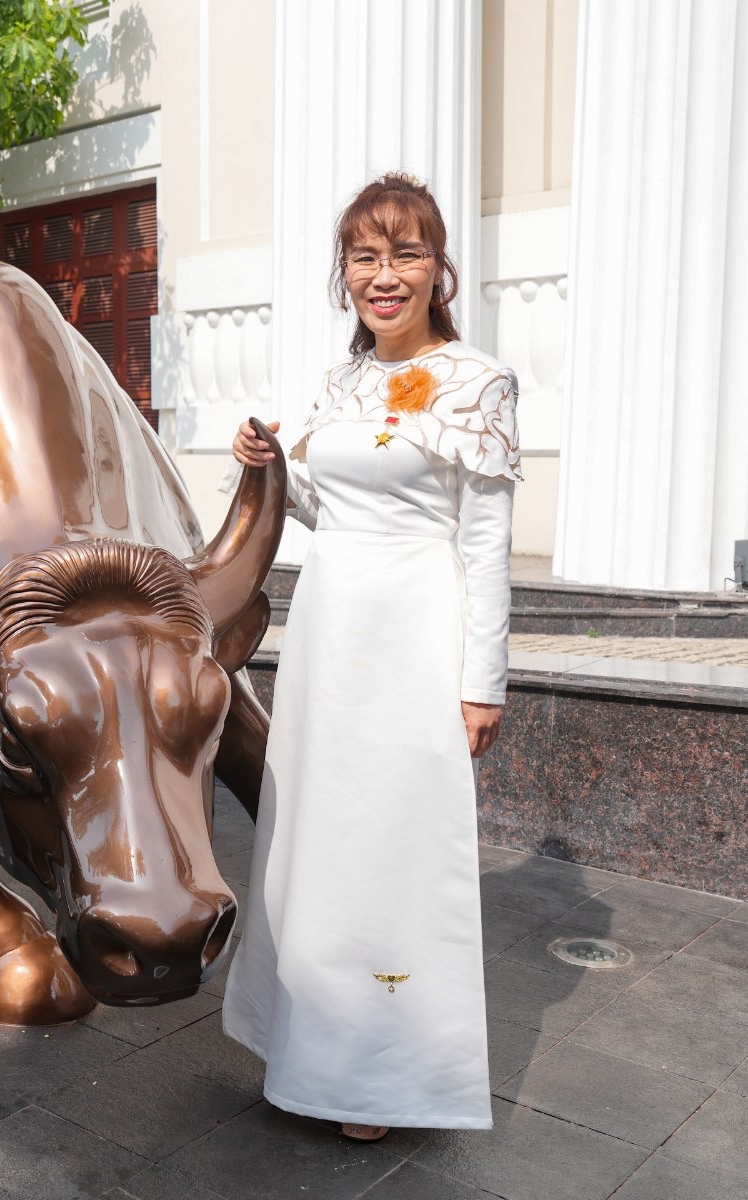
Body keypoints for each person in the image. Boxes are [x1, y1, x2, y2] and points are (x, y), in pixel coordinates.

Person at [220, 172, 519, 1139]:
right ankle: (302, 1042)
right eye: (364, 257)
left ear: (439, 269)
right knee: (316, 834)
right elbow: (328, 507)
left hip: (413, 634)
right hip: (328, 631)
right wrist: (271, 465)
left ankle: (378, 1078)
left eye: (405, 254)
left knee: (389, 842)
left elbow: (486, 545)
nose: (383, 276)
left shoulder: (479, 382)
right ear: (344, 272)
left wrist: (481, 683)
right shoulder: (340, 382)